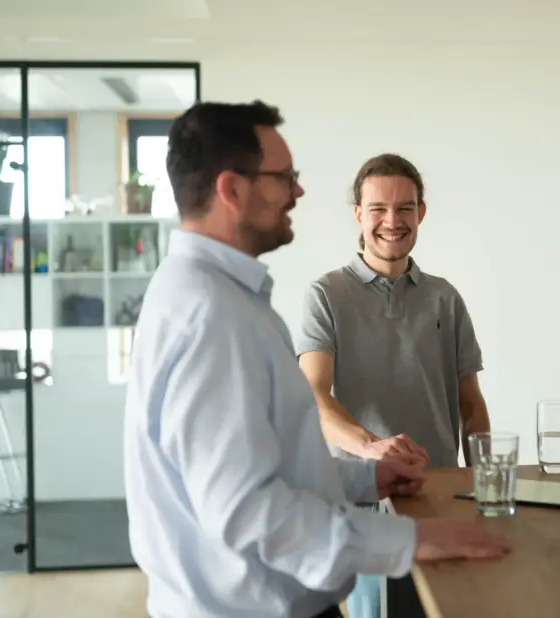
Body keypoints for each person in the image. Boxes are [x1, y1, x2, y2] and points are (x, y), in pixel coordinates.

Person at [123, 101, 511, 618]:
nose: (298, 192)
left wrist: (368, 478)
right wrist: (408, 539)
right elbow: (248, 512)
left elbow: (274, 467)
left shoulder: (221, 299)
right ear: (232, 189)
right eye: (284, 178)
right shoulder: (211, 315)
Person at [296, 152, 492, 618]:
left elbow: (470, 404)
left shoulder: (445, 297)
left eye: (405, 208)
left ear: (421, 213)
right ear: (358, 214)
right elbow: (313, 397)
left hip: (439, 496)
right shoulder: (325, 295)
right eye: (378, 209)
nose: (392, 221)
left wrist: (483, 485)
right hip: (365, 503)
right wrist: (372, 450)